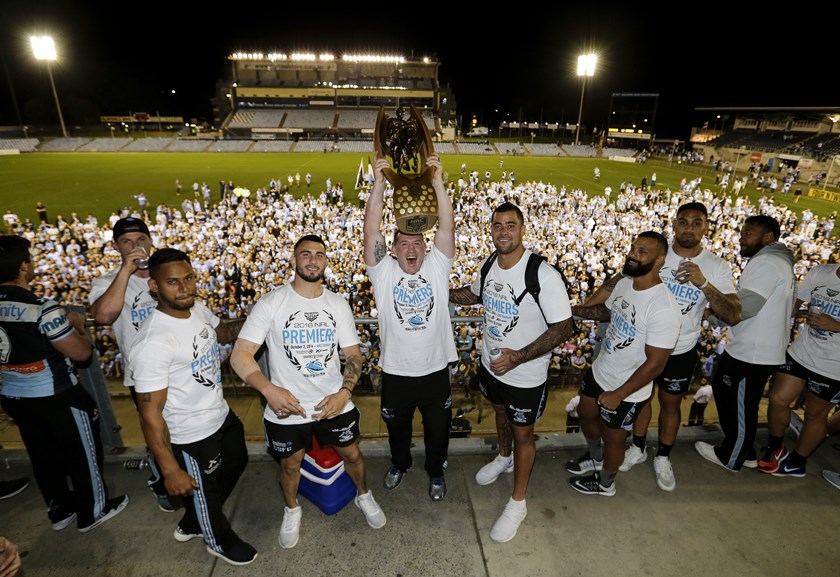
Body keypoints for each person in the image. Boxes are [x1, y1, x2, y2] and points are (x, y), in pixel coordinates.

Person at [230, 234, 386, 550]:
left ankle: (363, 494)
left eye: (319, 254)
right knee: (289, 465)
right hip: (286, 406)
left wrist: (344, 393)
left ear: (326, 261)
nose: (312, 260)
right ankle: (292, 509)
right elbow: (240, 354)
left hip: (333, 401)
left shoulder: (337, 303)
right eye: (305, 254)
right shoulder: (271, 302)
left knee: (352, 454)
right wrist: (269, 390)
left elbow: (354, 355)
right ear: (294, 260)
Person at [581, 203, 740, 491]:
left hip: (679, 349)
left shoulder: (716, 266)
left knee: (670, 404)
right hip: (637, 347)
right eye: (683, 221)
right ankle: (638, 447)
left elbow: (732, 313)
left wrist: (703, 283)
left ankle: (663, 456)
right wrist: (580, 310)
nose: (689, 227)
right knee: (640, 400)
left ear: (706, 227)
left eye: (697, 222)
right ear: (675, 225)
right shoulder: (656, 255)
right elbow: (615, 283)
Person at [449, 202, 576, 543]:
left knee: (524, 434)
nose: (503, 231)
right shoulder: (490, 262)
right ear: (490, 229)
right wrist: (441, 293)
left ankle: (517, 503)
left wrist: (519, 356)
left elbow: (564, 327)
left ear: (522, 229)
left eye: (510, 225)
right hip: (492, 366)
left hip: (524, 373)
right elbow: (473, 295)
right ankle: (503, 457)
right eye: (497, 225)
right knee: (500, 412)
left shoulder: (542, 273)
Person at [128, 248, 256, 566]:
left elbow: (222, 332)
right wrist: (170, 468)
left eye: (188, 278)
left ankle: (196, 517)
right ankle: (218, 540)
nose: (184, 287)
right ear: (154, 287)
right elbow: (149, 412)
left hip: (219, 414)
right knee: (206, 490)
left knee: (237, 460)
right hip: (190, 433)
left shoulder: (196, 308)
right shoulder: (154, 342)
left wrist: (262, 314)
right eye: (173, 282)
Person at [0, 235, 129, 532]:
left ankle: (59, 509)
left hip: (13, 396)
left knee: (42, 454)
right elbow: (81, 353)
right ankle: (93, 511)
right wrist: (79, 326)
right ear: (23, 267)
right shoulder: (42, 308)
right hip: (56, 395)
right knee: (82, 452)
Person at [363, 151, 457, 500]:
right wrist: (378, 186)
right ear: (393, 250)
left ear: (425, 247)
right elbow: (371, 228)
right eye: (404, 243)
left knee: (438, 430)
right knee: (396, 428)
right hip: (397, 373)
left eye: (417, 242)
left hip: (435, 371)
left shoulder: (436, 267)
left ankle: (436, 472)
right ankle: (399, 463)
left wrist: (437, 183)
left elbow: (446, 227)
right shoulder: (383, 272)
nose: (412, 248)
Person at [567, 231, 681, 496]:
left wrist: (619, 394)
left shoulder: (663, 307)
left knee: (615, 438)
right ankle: (596, 458)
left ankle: (606, 482)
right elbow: (608, 311)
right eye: (633, 248)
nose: (632, 254)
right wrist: (573, 310)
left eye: (642, 252)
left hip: (627, 389)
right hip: (601, 370)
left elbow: (655, 365)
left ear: (659, 260)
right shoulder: (625, 283)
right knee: (585, 414)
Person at [89, 217, 180, 512]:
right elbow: (103, 316)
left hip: (180, 365)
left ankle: (183, 474)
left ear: (150, 240)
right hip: (143, 373)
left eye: (141, 239)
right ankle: (163, 480)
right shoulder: (108, 282)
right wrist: (127, 271)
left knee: (181, 427)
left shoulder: (166, 273)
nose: (135, 247)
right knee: (157, 430)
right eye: (127, 242)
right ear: (115, 246)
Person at [695, 215, 795, 471]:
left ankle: (732, 456)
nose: (741, 237)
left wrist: (714, 315)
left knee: (739, 404)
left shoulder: (766, 263)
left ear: (768, 237)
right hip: (755, 348)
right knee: (734, 397)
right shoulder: (778, 262)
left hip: (752, 351)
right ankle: (745, 451)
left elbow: (744, 309)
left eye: (748, 233)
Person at [758, 263, 840, 477]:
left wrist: (836, 325)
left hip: (833, 366)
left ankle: (796, 462)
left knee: (815, 414)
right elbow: (795, 304)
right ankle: (776, 448)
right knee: (777, 398)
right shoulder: (822, 272)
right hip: (802, 351)